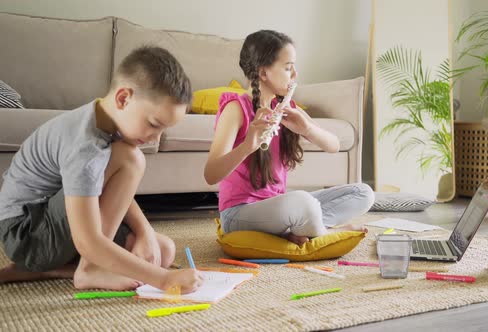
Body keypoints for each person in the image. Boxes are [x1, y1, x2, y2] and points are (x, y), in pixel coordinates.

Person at [0, 46, 203, 293]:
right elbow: (87, 241)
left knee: (162, 250)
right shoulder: (86, 147)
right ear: (123, 98)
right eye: (153, 124)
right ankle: (88, 269)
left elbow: (100, 186)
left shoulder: (102, 119)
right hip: (26, 232)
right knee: (131, 159)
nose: (155, 138)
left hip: (50, 223)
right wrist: (163, 279)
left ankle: (46, 268)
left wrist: (144, 230)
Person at [204, 30, 375, 245]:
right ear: (263, 73)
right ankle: (325, 233)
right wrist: (248, 145)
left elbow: (334, 145)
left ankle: (298, 229)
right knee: (303, 202)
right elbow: (211, 175)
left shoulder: (285, 107)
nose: (294, 74)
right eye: (287, 67)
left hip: (277, 208)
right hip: (239, 214)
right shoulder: (235, 108)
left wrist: (307, 129)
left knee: (363, 193)